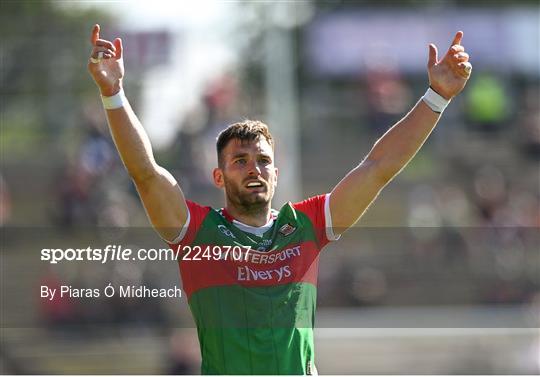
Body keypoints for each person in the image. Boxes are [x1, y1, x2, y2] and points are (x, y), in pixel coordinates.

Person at [87, 24, 472, 374]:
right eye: (240, 161)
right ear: (219, 176)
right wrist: (113, 94)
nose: (253, 169)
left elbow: (378, 168)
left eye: (263, 161)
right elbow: (146, 172)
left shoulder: (306, 225)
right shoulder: (198, 235)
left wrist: (436, 97)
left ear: (276, 173)